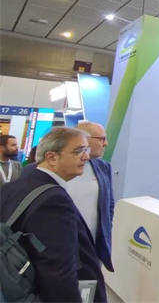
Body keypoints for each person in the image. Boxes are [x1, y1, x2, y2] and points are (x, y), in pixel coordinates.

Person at [0, 127, 106, 302]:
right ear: (51, 157)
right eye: (78, 151)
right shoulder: (53, 200)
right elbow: (57, 270)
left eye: (86, 150)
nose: (86, 157)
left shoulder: (17, 185)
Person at [66, 121, 115, 272]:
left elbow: (109, 204)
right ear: (83, 139)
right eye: (101, 139)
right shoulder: (60, 166)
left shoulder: (103, 167)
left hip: (93, 247)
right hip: (63, 243)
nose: (106, 144)